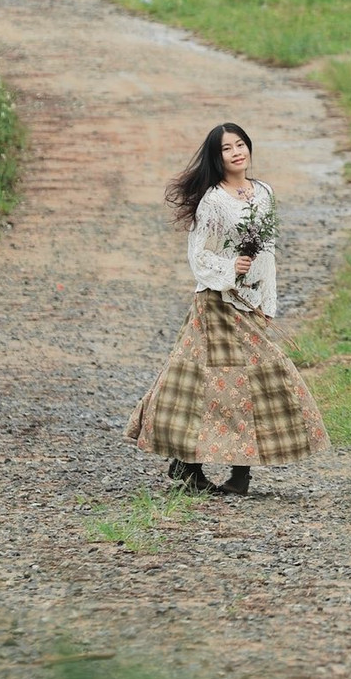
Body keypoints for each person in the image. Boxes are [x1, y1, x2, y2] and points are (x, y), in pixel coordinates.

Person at [124, 122, 329, 496]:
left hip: (249, 306)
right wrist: (229, 269)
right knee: (206, 387)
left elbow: (267, 254)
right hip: (217, 307)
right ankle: (191, 467)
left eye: (240, 144)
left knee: (258, 382)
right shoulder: (213, 201)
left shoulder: (264, 192)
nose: (236, 152)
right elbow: (199, 255)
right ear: (216, 159)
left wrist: (267, 303)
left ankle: (238, 474)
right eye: (226, 149)